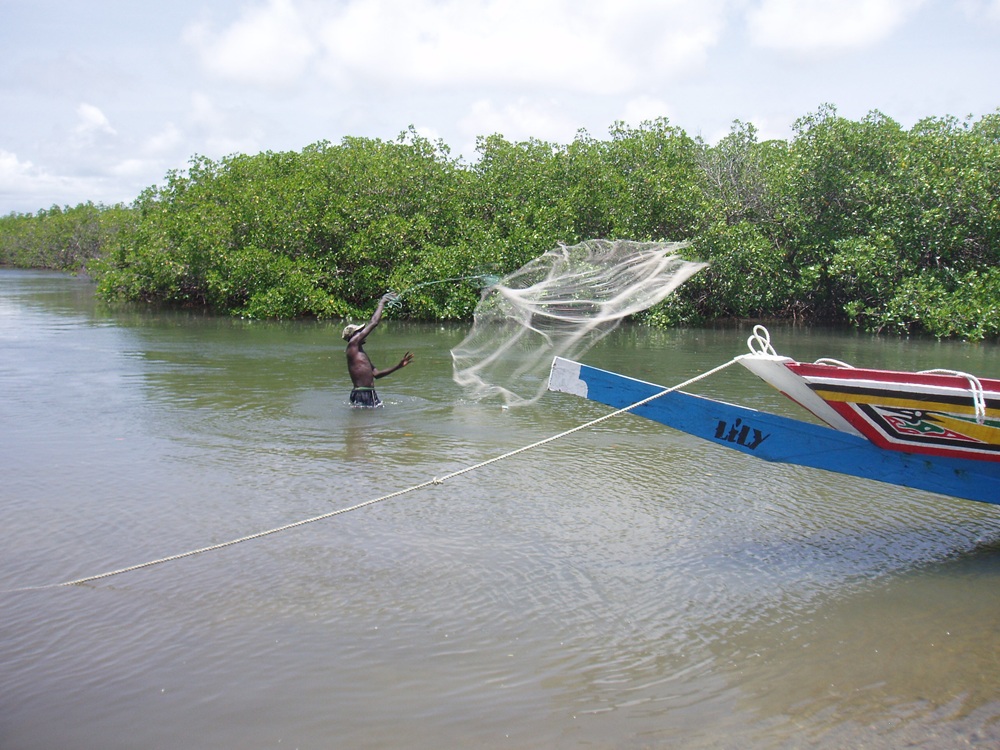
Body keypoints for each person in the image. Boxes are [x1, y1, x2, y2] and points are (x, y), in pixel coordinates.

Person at [343, 293, 414, 407]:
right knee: (365, 422)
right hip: (362, 393)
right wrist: (382, 302)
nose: (363, 333)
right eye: (359, 331)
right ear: (353, 336)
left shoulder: (360, 353)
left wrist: (398, 366)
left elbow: (377, 374)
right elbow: (374, 322)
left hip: (369, 393)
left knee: (370, 421)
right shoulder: (353, 345)